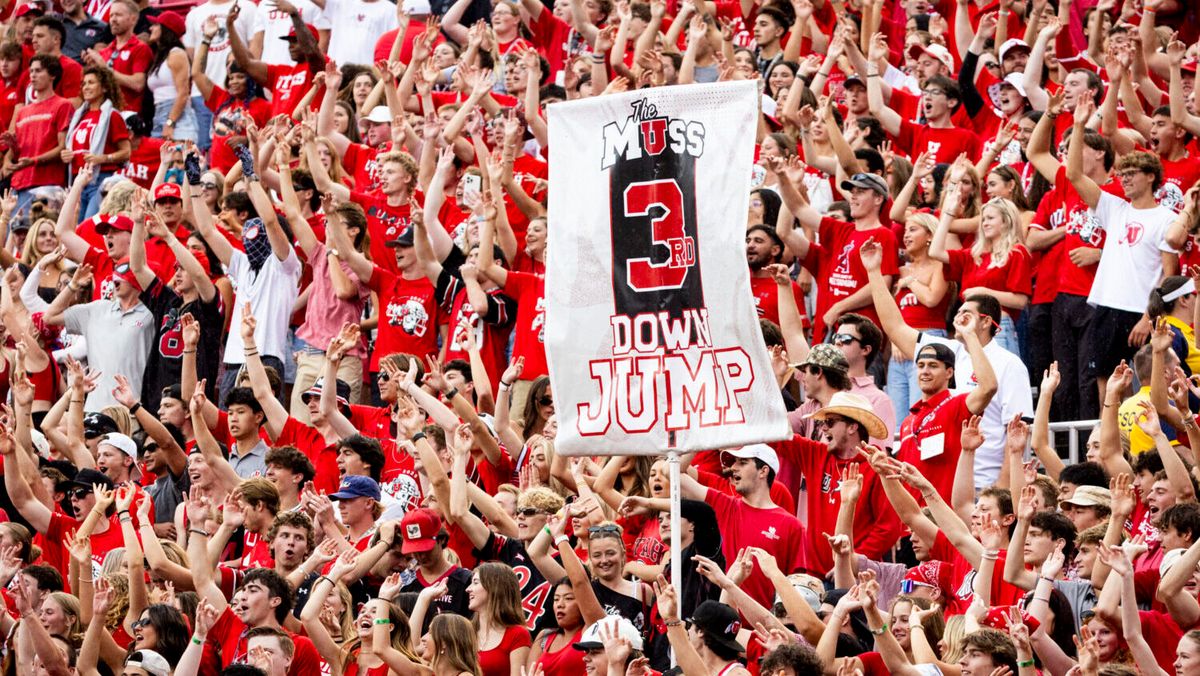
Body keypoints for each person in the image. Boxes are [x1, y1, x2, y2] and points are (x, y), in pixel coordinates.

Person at [62, 66, 130, 220]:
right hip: (78, 181)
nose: (86, 87)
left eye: (91, 83)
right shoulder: (79, 116)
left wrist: (103, 158)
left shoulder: (112, 115)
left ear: (104, 87)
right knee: (76, 228)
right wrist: (66, 155)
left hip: (100, 180)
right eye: (84, 83)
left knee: (90, 225)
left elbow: (126, 152)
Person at [145, 11, 197, 142]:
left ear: (165, 29)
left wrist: (170, 122)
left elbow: (183, 93)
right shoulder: (161, 56)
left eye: (155, 25)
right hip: (159, 114)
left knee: (177, 154)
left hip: (177, 116)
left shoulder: (177, 54)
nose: (151, 28)